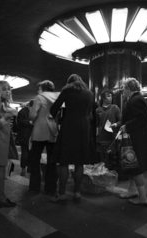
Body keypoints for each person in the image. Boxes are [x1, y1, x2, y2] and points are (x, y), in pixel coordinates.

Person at [50, 74, 95, 204]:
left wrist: (58, 118)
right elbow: (89, 113)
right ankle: (77, 193)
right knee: (79, 162)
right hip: (84, 127)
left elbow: (54, 108)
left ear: (69, 82)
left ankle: (62, 194)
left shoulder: (66, 91)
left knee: (64, 161)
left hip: (69, 125)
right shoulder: (89, 93)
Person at [119, 78, 147, 206]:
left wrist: (127, 126)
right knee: (133, 165)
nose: (123, 91)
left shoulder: (136, 100)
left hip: (137, 140)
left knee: (136, 167)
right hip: (139, 138)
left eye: (124, 89)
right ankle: (132, 190)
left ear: (128, 89)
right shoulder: (138, 99)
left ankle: (143, 197)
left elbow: (141, 118)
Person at [29, 80, 59, 195]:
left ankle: (35, 187)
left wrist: (33, 119)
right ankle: (51, 188)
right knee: (52, 161)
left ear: (44, 88)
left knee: (35, 159)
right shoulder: (57, 96)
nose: (38, 90)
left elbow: (32, 115)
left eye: (39, 88)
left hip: (40, 130)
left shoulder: (39, 97)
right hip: (52, 130)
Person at [96, 89, 121, 168]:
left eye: (111, 96)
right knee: (101, 161)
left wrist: (116, 124)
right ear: (103, 98)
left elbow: (121, 121)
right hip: (101, 139)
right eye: (108, 96)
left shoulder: (115, 108)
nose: (111, 98)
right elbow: (97, 125)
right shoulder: (98, 110)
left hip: (112, 138)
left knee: (111, 160)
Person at [17, 100, 34, 176]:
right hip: (24, 136)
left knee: (31, 153)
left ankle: (30, 167)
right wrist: (29, 122)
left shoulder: (34, 112)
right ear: (30, 106)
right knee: (24, 153)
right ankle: (23, 169)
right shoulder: (22, 112)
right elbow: (19, 122)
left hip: (32, 136)